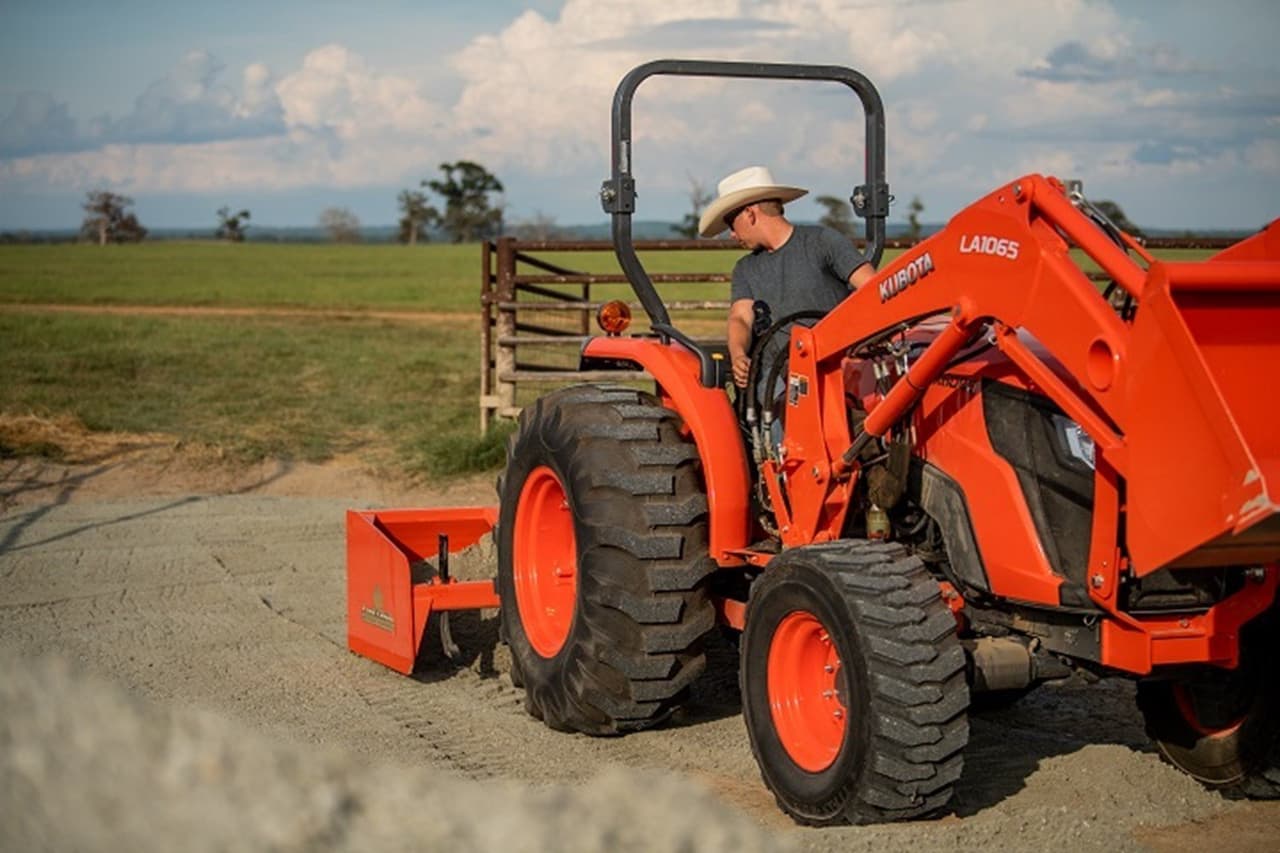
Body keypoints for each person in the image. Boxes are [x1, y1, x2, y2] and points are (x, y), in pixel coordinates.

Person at [699, 165, 876, 392]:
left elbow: (872, 289)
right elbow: (740, 318)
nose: (732, 234)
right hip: (777, 377)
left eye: (731, 224)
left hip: (834, 367)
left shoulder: (822, 243)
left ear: (750, 214)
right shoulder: (745, 268)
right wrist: (738, 355)